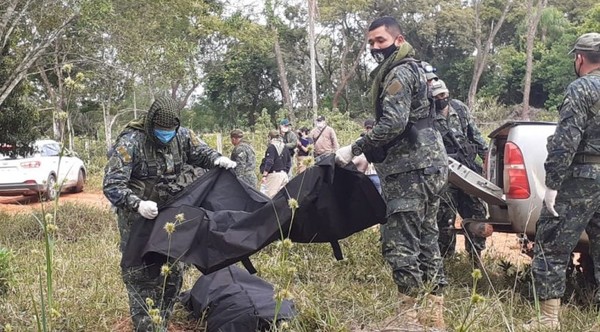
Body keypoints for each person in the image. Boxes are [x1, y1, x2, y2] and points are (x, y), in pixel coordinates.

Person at [335, 16, 448, 331]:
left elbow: (393, 124)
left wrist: (355, 147)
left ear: (398, 40)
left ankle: (407, 318)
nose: (374, 48)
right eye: (370, 42)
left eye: (380, 41)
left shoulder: (398, 73)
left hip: (409, 170)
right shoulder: (420, 69)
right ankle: (434, 315)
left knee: (400, 243)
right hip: (432, 165)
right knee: (428, 239)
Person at [103, 96, 237, 331]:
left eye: (170, 130)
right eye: (160, 130)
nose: (165, 134)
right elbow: (112, 185)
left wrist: (217, 158)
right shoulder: (131, 142)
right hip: (138, 223)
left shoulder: (182, 135)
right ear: (150, 124)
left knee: (172, 274)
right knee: (142, 275)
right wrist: (137, 204)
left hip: (172, 220)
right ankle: (146, 325)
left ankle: (161, 321)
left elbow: (201, 152)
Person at [524, 32, 600, 331]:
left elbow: (566, 140)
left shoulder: (581, 89)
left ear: (579, 58)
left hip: (581, 178)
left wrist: (553, 183)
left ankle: (547, 320)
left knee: (552, 244)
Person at [430, 79, 488, 259]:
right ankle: (447, 258)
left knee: (476, 212)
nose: (441, 98)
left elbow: (476, 136)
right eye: (437, 96)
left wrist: (486, 156)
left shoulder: (460, 109)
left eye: (443, 95)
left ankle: (475, 256)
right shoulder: (428, 114)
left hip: (467, 170)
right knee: (445, 217)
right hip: (444, 173)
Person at [351, 119, 381, 193]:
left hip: (375, 174)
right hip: (365, 174)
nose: (369, 130)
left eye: (370, 128)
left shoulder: (379, 140)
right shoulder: (361, 141)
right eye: (368, 128)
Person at [260, 129, 292, 198]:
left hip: (274, 175)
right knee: (282, 198)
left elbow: (270, 162)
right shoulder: (285, 147)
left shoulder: (272, 147)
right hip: (284, 175)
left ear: (270, 137)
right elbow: (289, 163)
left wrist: (265, 175)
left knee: (269, 198)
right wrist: (285, 172)